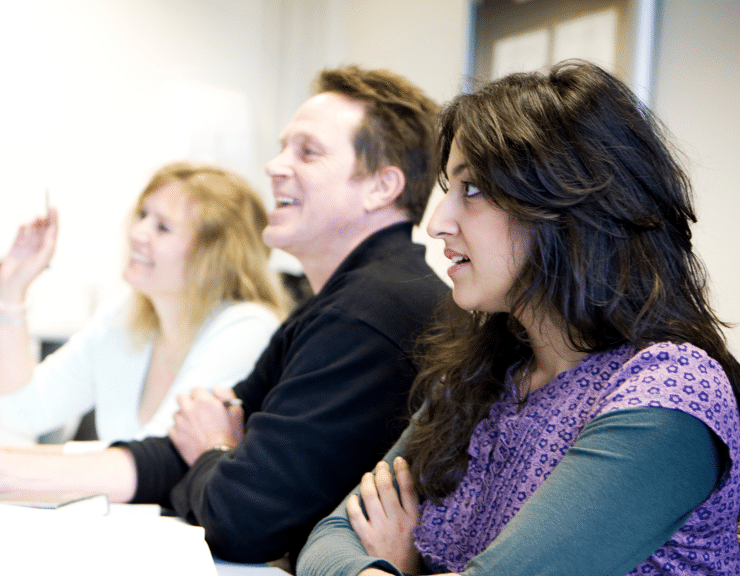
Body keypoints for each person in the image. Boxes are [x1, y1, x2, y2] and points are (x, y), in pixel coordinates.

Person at [0, 65, 450, 566]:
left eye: (307, 152)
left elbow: (240, 515)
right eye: (283, 148)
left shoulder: (368, 313)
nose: (274, 165)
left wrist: (214, 452)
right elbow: (174, 458)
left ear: (382, 186)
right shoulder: (336, 305)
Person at [297, 60, 740, 576]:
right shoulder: (482, 373)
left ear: (566, 206)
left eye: (473, 190)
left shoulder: (670, 391)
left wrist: (401, 564)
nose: (438, 223)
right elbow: (329, 540)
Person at [0, 161, 288, 444]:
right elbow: (25, 412)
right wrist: (11, 288)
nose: (137, 233)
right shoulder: (122, 321)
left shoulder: (247, 328)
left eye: (163, 227)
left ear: (216, 259)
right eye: (143, 215)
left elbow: (155, 456)